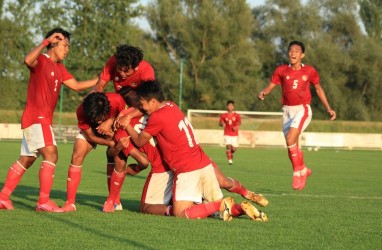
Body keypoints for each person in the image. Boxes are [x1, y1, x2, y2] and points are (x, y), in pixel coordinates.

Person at [116, 80, 268, 221]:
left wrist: (126, 123)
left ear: (153, 101)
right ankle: (240, 208)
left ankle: (220, 204)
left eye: (142, 104)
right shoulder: (171, 105)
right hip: (203, 163)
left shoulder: (157, 117)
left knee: (181, 213)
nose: (141, 108)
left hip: (187, 169)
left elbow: (138, 140)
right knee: (215, 208)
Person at [0, 28, 98, 211]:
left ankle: (3, 197)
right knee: (52, 154)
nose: (67, 50)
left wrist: (100, 79)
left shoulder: (59, 67)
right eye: (65, 45)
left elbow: (76, 86)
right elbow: (27, 60)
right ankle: (43, 201)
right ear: (53, 43)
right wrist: (45, 42)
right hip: (37, 118)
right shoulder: (42, 61)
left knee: (27, 159)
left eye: (69, 46)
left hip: (38, 120)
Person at [258, 40, 336, 191]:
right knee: (291, 145)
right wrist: (263, 93)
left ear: (302, 55)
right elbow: (271, 86)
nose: (293, 53)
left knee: (290, 138)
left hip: (303, 109)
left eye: (296, 51)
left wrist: (329, 108)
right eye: (290, 51)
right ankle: (304, 170)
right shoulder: (281, 70)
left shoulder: (310, 71)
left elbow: (318, 89)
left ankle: (297, 172)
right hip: (287, 111)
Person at [61, 92, 148, 212]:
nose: (98, 122)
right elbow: (90, 136)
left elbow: (123, 117)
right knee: (76, 156)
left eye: (100, 118)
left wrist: (110, 121)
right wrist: (110, 144)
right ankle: (70, 203)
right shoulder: (81, 111)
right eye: (95, 119)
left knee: (118, 160)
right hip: (93, 133)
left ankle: (114, 201)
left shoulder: (117, 100)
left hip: (114, 129)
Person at [219, 100, 241, 165]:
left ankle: (230, 154)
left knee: (233, 149)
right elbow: (220, 123)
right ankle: (230, 160)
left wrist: (236, 127)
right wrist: (222, 124)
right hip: (227, 133)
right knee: (228, 146)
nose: (230, 107)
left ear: (233, 107)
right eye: (229, 105)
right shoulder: (223, 115)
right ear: (227, 107)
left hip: (234, 134)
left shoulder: (237, 115)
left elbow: (239, 123)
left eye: (231, 106)